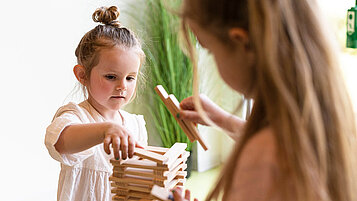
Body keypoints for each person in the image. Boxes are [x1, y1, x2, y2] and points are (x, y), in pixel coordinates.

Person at [173, 0, 357, 201]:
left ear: (242, 42)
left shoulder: (263, 161)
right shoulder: (333, 124)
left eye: (210, 50)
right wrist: (223, 120)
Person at [44, 6, 148, 201]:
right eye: (111, 76)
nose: (122, 86)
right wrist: (105, 130)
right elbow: (59, 142)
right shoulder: (76, 116)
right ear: (82, 75)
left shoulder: (136, 125)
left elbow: (139, 184)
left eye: (130, 78)